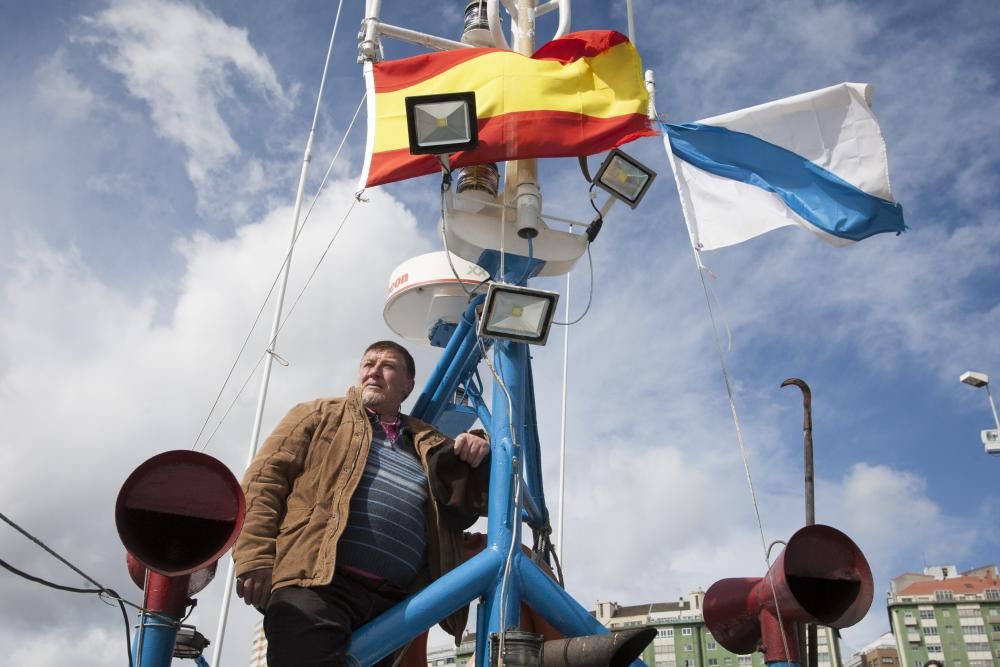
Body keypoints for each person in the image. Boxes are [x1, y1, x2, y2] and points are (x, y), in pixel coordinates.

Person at [232, 340, 490, 667]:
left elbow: (486, 493)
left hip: (395, 606)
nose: (374, 371)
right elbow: (263, 482)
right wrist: (254, 557)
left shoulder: (430, 443)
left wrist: (480, 444)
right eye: (368, 363)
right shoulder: (317, 414)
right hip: (315, 586)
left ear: (407, 386)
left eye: (388, 366)